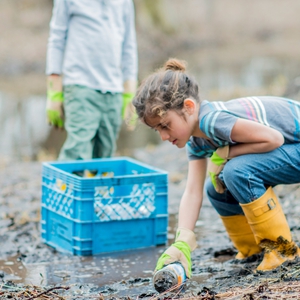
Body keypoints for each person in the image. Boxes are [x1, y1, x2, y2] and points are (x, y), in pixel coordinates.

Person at [132, 58, 300, 278]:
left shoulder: (212, 120)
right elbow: (192, 191)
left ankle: (283, 251)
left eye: (165, 125)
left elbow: (274, 139)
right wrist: (182, 240)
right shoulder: (196, 140)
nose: (164, 136)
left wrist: (224, 155)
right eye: (157, 130)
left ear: (189, 107)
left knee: (236, 171)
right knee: (216, 187)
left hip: (292, 144)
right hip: (289, 151)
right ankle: (253, 250)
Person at [46, 0, 138, 161]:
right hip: (80, 85)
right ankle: (67, 185)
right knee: (77, 151)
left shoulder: (124, 2)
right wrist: (54, 89)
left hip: (113, 90)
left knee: (105, 153)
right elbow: (57, 38)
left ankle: (99, 186)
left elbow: (129, 45)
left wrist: (130, 89)